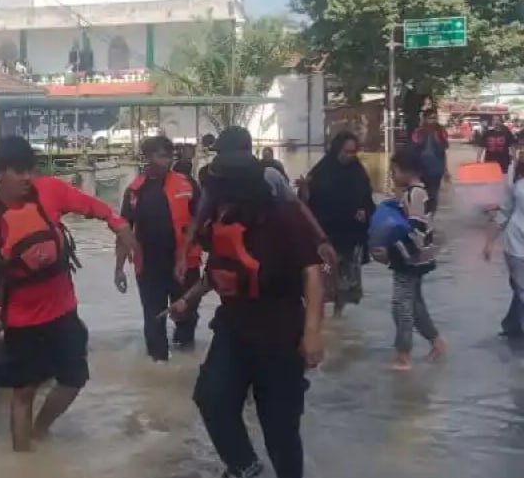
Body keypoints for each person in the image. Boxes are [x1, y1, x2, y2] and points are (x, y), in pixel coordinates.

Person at [169, 150, 333, 478]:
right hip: (234, 326)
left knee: (278, 419)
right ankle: (242, 462)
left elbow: (313, 274)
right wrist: (187, 300)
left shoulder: (284, 217)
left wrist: (312, 334)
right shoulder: (222, 217)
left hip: (280, 328)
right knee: (211, 397)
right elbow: (221, 270)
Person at [0, 135, 134, 451]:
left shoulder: (50, 191)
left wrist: (118, 224)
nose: (27, 178)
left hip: (63, 310)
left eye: (29, 170)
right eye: (18, 171)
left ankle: (40, 430)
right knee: (23, 392)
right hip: (21, 321)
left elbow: (95, 207)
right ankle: (23, 464)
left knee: (74, 378)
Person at [178, 126, 334, 281]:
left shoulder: (269, 177)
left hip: (271, 260)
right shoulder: (215, 184)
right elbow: (197, 220)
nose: (219, 157)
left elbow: (298, 208)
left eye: (222, 152)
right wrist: (183, 256)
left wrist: (322, 240)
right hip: (232, 266)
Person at [116, 135, 201, 361]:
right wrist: (119, 268)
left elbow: (201, 220)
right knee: (153, 319)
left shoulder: (188, 184)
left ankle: (185, 360)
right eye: (161, 156)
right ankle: (158, 364)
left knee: (187, 314)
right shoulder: (135, 191)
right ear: (147, 157)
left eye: (169, 156)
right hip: (150, 267)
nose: (167, 161)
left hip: (185, 264)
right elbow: (124, 230)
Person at [381, 149, 445, 371]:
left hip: (409, 258)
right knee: (415, 305)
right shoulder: (418, 191)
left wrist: (392, 252)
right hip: (417, 258)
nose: (392, 176)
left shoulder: (414, 194)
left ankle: (403, 355)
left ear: (406, 171)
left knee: (401, 305)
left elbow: (416, 231)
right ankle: (436, 343)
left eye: (394, 171)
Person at [304, 131, 375, 317]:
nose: (350, 156)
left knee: (344, 280)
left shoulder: (358, 172)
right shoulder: (321, 171)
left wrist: (364, 211)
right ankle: (320, 318)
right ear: (337, 150)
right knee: (323, 277)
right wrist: (304, 191)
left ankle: (337, 317)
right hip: (326, 235)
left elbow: (368, 200)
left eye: (353, 152)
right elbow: (306, 203)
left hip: (350, 235)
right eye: (346, 152)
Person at [483, 148, 524, 340]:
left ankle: (511, 324)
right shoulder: (516, 179)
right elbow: (505, 211)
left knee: (520, 288)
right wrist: (489, 242)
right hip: (516, 244)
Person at [410, 108, 450, 209]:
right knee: (421, 193)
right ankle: (423, 216)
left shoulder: (441, 131)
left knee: (433, 194)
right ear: (425, 119)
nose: (433, 120)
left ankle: (431, 216)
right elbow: (413, 149)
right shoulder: (418, 132)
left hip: (436, 168)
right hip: (421, 168)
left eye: (435, 118)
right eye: (430, 118)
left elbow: (444, 150)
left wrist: (445, 170)